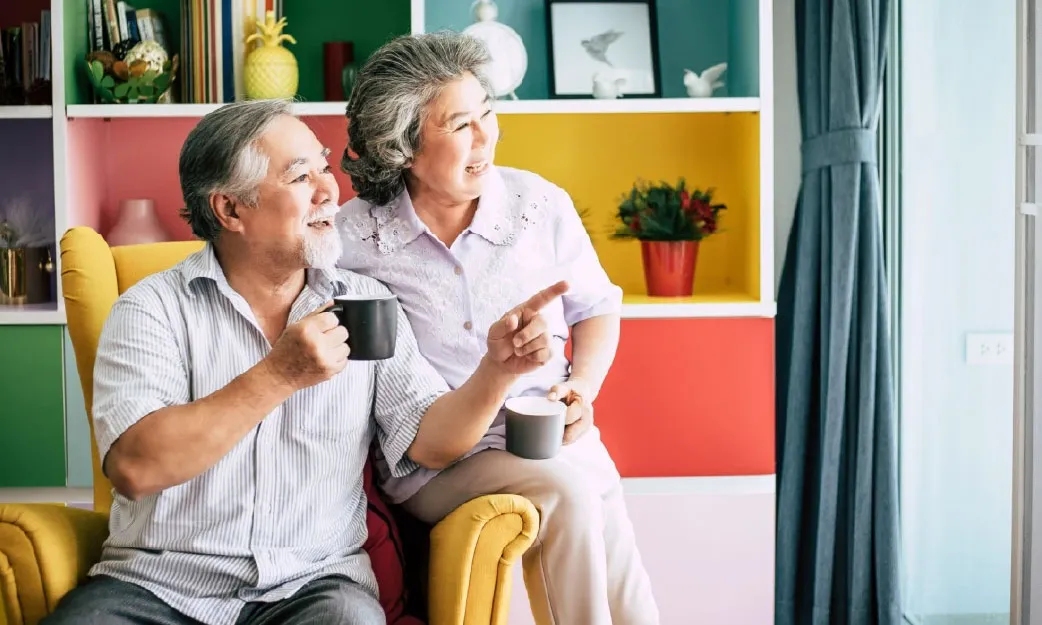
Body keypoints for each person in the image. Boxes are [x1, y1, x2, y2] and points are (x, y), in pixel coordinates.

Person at [43, 98, 567, 625]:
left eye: (324, 168)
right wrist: (278, 375)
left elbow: (431, 442)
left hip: (315, 588)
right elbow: (136, 468)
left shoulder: (365, 303)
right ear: (230, 210)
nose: (330, 191)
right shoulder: (150, 308)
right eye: (300, 177)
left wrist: (497, 371)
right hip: (157, 588)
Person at [337, 32, 660, 625]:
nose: (485, 136)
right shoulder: (352, 239)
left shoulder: (539, 202)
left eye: (486, 112)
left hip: (552, 432)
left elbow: (596, 307)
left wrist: (581, 387)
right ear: (402, 147)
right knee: (565, 491)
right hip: (440, 462)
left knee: (630, 591)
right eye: (460, 124)